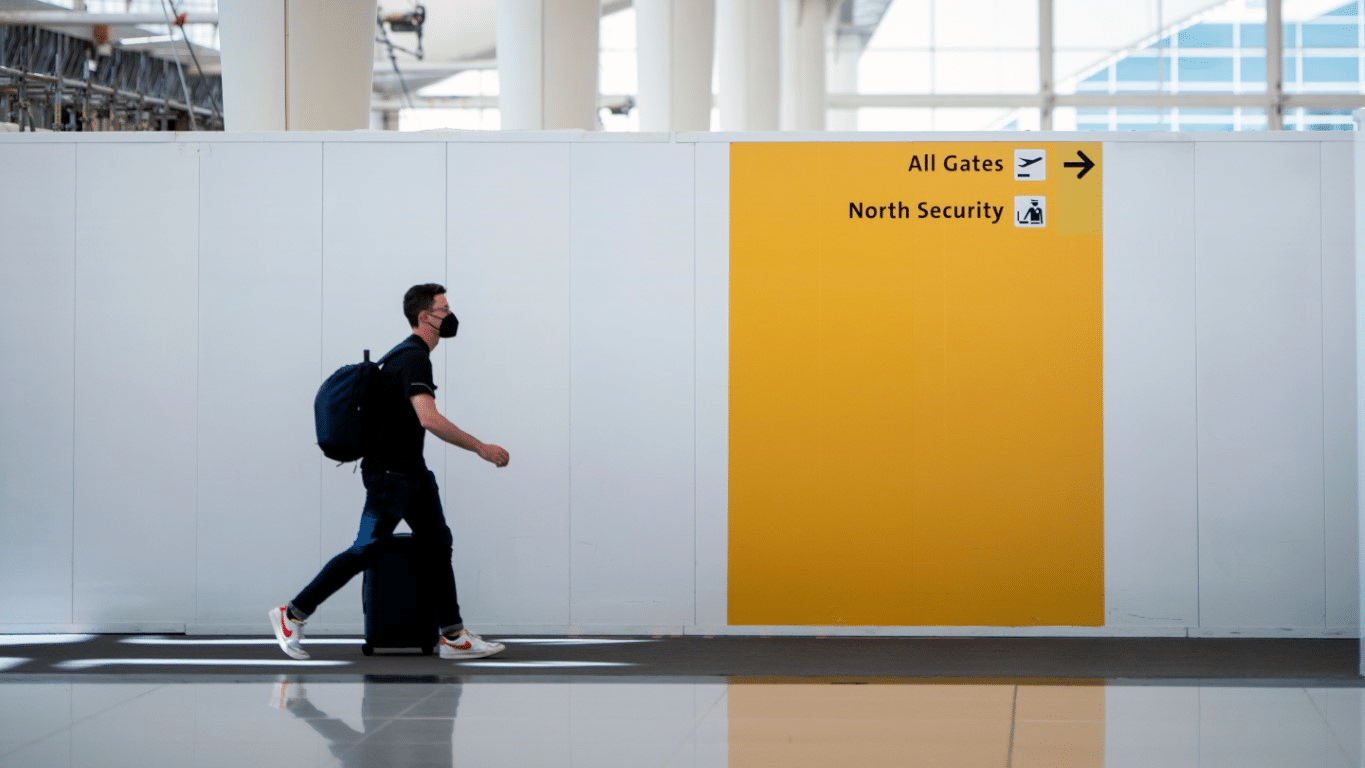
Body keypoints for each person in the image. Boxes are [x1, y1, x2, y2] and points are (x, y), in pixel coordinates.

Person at [270, 283, 511, 661]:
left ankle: (453, 636)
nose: (450, 316)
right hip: (389, 477)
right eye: (443, 310)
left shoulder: (406, 356)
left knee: (436, 544)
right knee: (366, 548)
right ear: (424, 317)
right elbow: (428, 418)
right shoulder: (413, 358)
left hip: (412, 474)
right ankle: (293, 614)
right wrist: (482, 448)